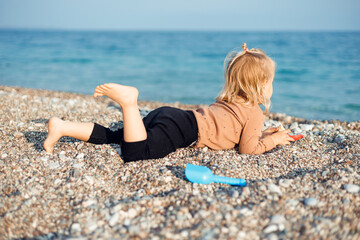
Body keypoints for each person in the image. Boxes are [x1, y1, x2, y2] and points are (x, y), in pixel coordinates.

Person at [43, 43, 294, 162]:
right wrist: (272, 140)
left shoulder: (230, 102)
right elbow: (247, 149)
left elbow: (238, 132)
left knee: (118, 136)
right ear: (261, 86)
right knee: (136, 152)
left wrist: (262, 134)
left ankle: (63, 127)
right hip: (182, 130)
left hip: (172, 115)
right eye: (271, 81)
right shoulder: (254, 113)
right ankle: (129, 102)